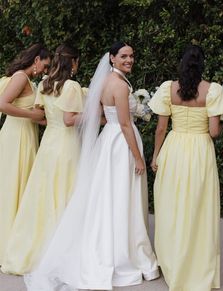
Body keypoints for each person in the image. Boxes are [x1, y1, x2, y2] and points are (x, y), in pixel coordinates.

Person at [23, 41, 159, 290]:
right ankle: (122, 252)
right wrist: (138, 157)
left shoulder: (106, 82)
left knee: (108, 195)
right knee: (120, 195)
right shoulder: (118, 84)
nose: (129, 60)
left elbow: (98, 113)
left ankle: (118, 242)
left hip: (109, 139)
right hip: (120, 142)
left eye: (131, 56)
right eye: (124, 56)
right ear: (112, 58)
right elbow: (126, 125)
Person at [148, 44, 223, 291]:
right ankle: (196, 264)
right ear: (202, 65)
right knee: (199, 207)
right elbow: (214, 131)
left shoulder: (169, 88)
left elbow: (160, 129)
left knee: (172, 206)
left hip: (174, 149)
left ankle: (173, 262)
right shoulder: (213, 90)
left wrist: (156, 155)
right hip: (199, 151)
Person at [0, 43, 87, 275]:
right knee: (64, 191)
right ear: (74, 62)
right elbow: (67, 120)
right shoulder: (71, 86)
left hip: (48, 143)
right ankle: (59, 246)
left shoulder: (45, 85)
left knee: (42, 194)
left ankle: (30, 244)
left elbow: (44, 117)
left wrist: (52, 119)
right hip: (63, 144)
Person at [0, 43, 50, 264]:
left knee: (22, 187)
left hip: (27, 135)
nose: (46, 71)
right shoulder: (21, 76)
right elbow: (2, 104)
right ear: (36, 59)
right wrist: (31, 116)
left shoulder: (30, 81)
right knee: (14, 186)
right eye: (46, 66)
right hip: (16, 136)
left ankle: (15, 239)